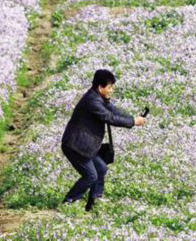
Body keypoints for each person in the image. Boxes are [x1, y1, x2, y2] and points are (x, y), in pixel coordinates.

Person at [61, 69, 145, 211]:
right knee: (90, 176)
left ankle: (94, 203)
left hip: (86, 146)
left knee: (101, 168)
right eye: (110, 87)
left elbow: (114, 111)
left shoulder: (99, 98)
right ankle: (68, 202)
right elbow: (109, 117)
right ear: (100, 87)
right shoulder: (92, 101)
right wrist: (132, 122)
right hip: (76, 146)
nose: (111, 90)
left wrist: (132, 118)